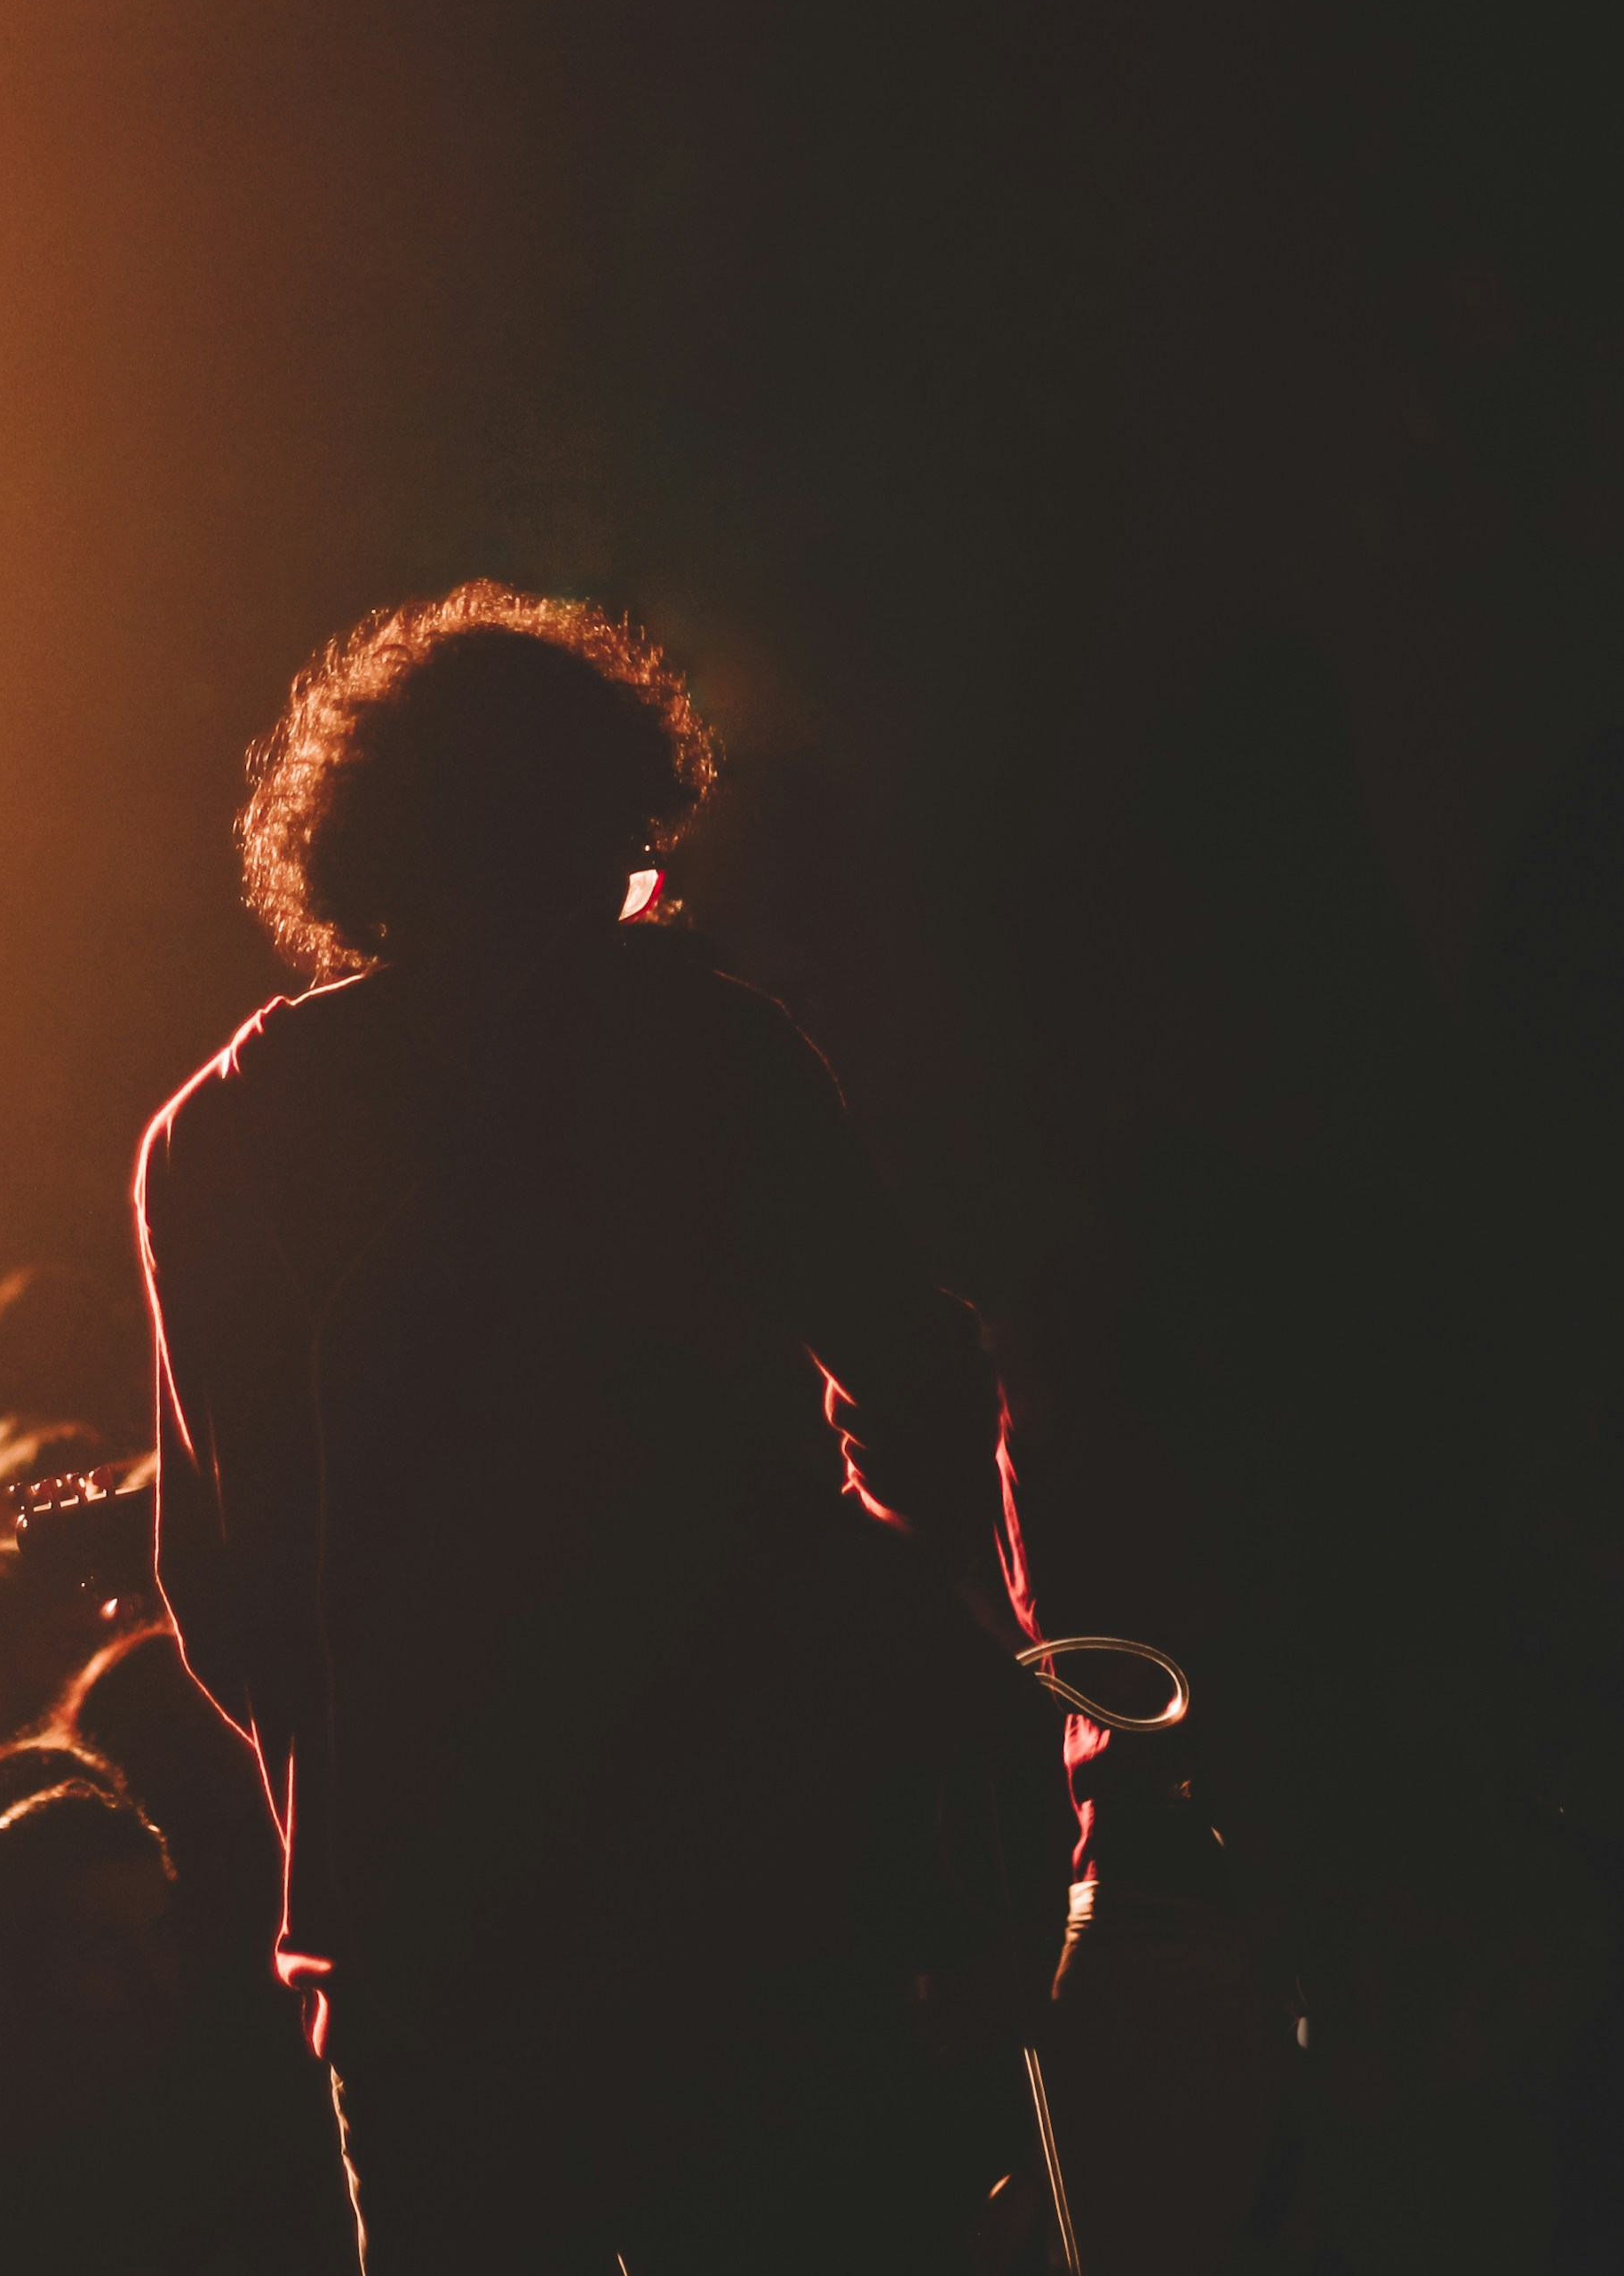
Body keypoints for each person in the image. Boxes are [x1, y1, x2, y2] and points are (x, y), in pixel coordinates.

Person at [137, 582, 1063, 2269]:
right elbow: (921, 1389)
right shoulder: (708, 1051)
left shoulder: (225, 1131)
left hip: (428, 1946)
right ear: (593, 822)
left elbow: (221, 1575)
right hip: (759, 1896)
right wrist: (862, 1587)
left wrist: (376, 1770)